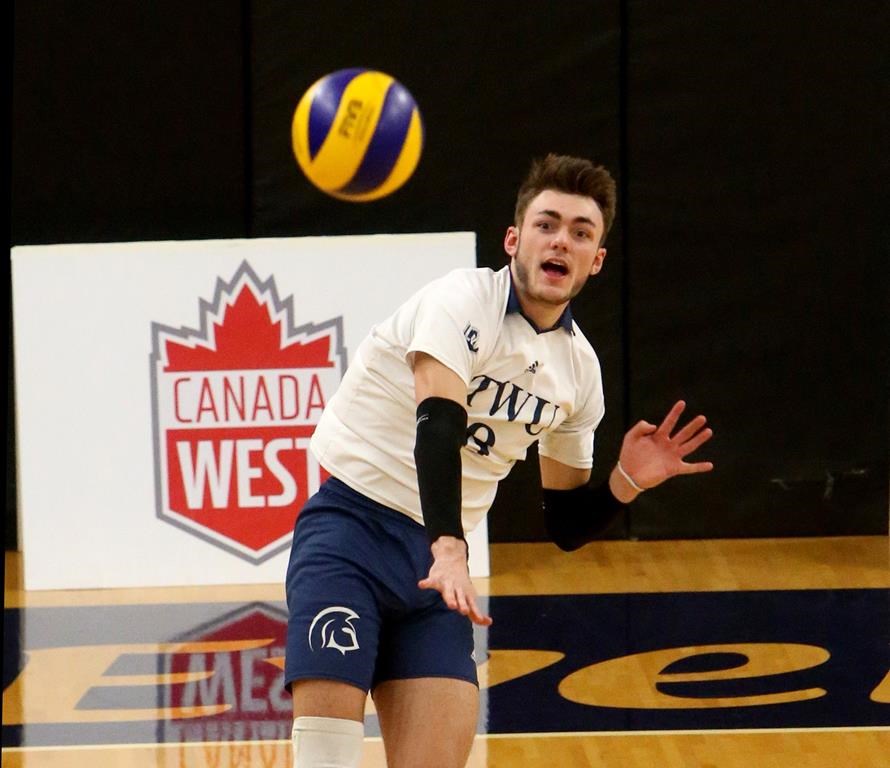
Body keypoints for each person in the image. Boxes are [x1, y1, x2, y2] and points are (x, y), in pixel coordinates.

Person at [284, 153, 714, 768]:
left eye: (581, 232)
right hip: (351, 534)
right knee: (326, 759)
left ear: (596, 262)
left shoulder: (579, 372)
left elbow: (564, 523)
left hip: (437, 581)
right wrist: (451, 548)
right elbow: (437, 426)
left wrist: (626, 483)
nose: (560, 239)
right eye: (547, 223)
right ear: (514, 239)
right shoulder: (461, 299)